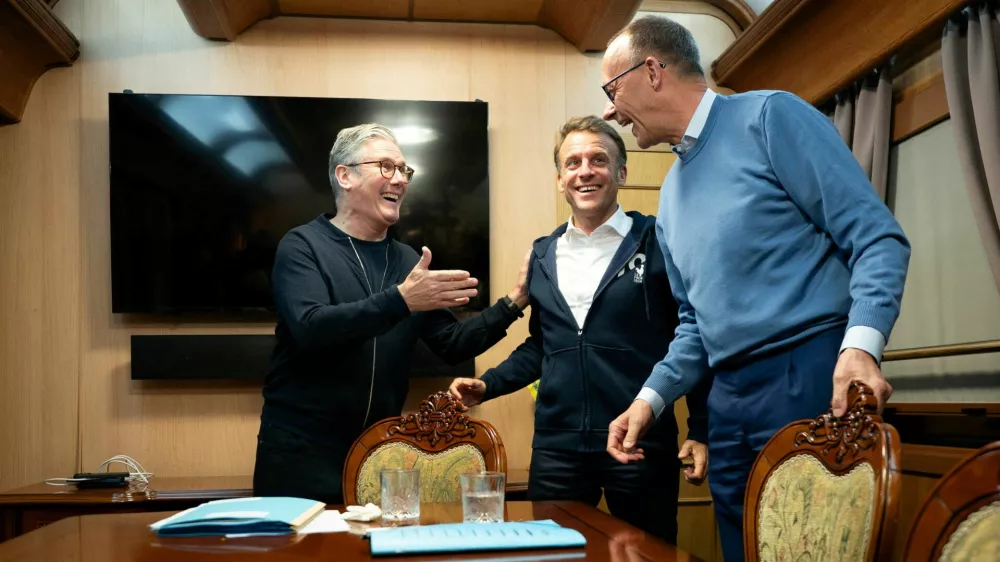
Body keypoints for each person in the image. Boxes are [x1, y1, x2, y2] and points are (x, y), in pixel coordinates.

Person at [599, 16, 910, 561]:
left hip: (806, 373)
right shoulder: (669, 196)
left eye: (612, 88)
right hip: (728, 400)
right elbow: (695, 323)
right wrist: (649, 401)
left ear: (651, 71)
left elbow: (877, 238)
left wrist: (861, 346)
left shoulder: (770, 116)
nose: (609, 110)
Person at [448, 116, 711, 545]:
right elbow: (545, 345)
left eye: (598, 160)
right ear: (559, 180)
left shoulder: (659, 241)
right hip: (557, 450)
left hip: (639, 442)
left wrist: (701, 427)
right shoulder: (543, 254)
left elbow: (694, 335)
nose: (584, 170)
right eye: (572, 163)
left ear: (621, 172)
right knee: (550, 557)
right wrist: (489, 384)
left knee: (648, 555)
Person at [253, 123, 529, 504]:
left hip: (380, 452)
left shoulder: (407, 261)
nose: (399, 179)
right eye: (386, 166)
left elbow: (453, 344)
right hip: (301, 451)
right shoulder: (302, 246)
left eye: (404, 170)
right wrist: (401, 301)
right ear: (344, 175)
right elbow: (312, 328)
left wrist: (513, 303)